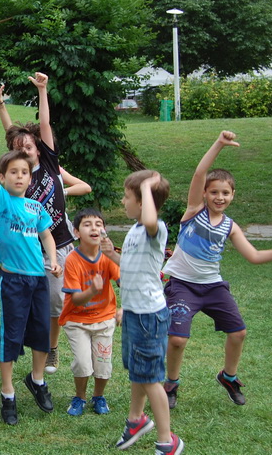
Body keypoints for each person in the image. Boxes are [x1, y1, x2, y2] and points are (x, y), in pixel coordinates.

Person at [162, 131, 272, 408]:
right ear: (204, 193)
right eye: (214, 192)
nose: (219, 197)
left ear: (233, 195)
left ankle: (228, 377)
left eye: (225, 193)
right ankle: (171, 383)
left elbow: (254, 256)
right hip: (183, 285)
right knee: (176, 340)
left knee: (238, 333)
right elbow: (200, 172)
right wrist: (219, 144)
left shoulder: (230, 226)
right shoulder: (194, 211)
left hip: (213, 286)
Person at [0, 74, 88, 374]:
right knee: (33, 301)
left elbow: (44, 124)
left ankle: (52, 347)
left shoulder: (48, 163)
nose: (26, 151)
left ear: (38, 149)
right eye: (19, 148)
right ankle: (28, 342)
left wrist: (43, 90)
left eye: (30, 147)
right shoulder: (17, 177)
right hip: (30, 249)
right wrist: (0, 105)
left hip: (59, 242)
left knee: (56, 303)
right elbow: (12, 135)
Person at [0, 114, 60, 425]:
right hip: (13, 279)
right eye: (13, 172)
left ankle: (37, 380)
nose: (20, 177)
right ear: (3, 177)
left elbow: (46, 235)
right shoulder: (0, 201)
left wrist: (53, 259)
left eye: (24, 172)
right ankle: (8, 393)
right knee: (11, 335)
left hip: (38, 278)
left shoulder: (36, 207)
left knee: (41, 332)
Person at [104, 170, 183, 455]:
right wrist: (112, 255)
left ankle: (167, 441)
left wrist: (147, 185)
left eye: (127, 197)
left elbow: (151, 219)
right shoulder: (135, 231)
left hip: (149, 316)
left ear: (143, 201)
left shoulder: (155, 228)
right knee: (138, 371)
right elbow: (133, 268)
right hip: (135, 313)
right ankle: (136, 420)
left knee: (150, 378)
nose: (123, 201)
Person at [59, 208, 120, 417]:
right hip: (77, 320)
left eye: (98, 224)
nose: (94, 228)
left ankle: (98, 396)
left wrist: (126, 306)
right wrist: (92, 290)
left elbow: (124, 281)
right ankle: (80, 397)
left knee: (103, 364)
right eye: (87, 224)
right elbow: (76, 299)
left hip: (104, 319)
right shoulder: (72, 260)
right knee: (83, 364)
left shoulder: (108, 256)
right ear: (76, 232)